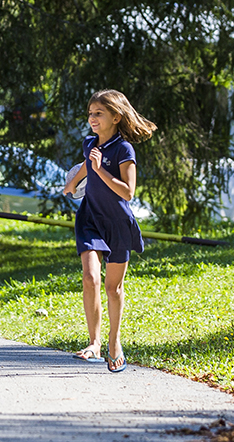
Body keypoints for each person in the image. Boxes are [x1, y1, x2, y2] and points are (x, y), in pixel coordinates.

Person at [62, 89, 157, 374]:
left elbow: (127, 192)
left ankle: (115, 343)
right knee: (90, 276)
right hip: (90, 218)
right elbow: (84, 170)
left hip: (117, 222)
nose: (92, 118)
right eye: (90, 113)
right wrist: (72, 184)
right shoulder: (89, 143)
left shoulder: (124, 150)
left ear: (116, 117)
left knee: (112, 288)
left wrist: (100, 169)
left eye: (98, 113)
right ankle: (94, 342)